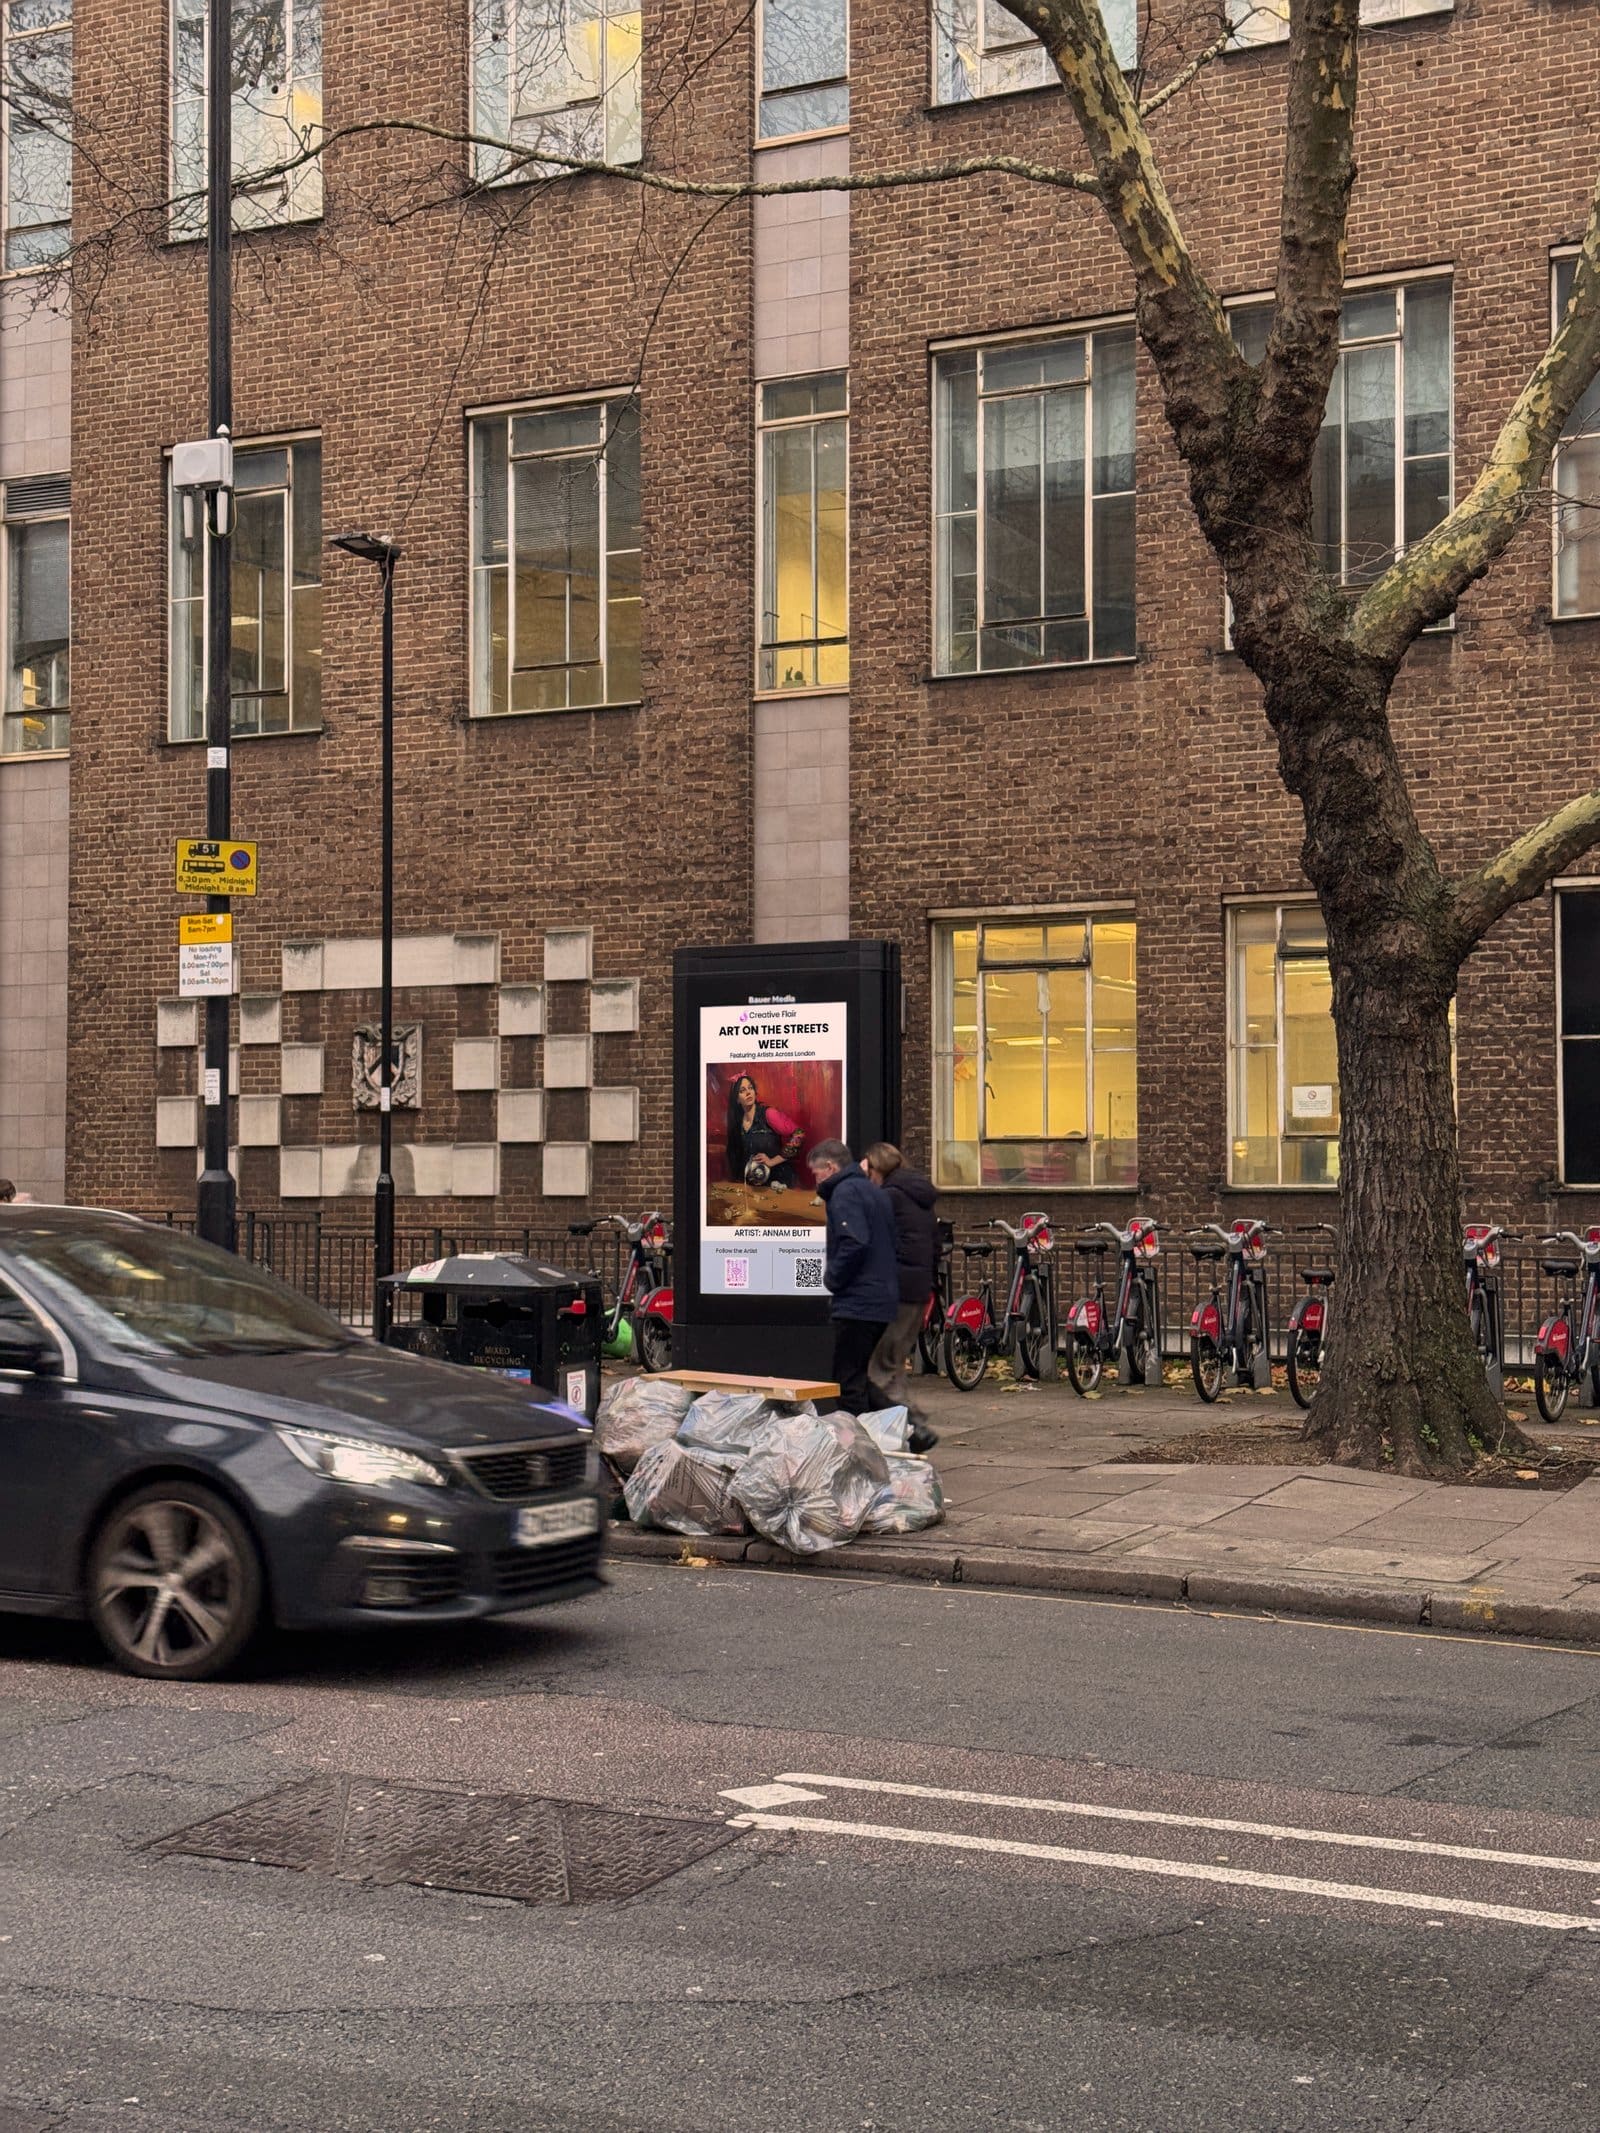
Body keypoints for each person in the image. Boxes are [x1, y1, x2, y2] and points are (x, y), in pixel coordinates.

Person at [809, 1138, 898, 1415]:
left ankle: (861, 1446)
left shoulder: (845, 1193)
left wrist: (832, 1279)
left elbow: (854, 1242)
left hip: (858, 1302)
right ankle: (909, 1429)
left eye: (817, 1172)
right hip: (880, 1299)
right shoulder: (873, 1192)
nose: (816, 1179)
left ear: (830, 1167)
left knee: (847, 1383)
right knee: (857, 1376)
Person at [862, 1142, 940, 1453]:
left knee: (878, 1368)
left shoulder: (889, 1198)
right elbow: (936, 1245)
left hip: (894, 1291)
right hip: (918, 1291)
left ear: (878, 1169)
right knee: (893, 1365)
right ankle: (909, 1427)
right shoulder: (920, 1198)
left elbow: (877, 1244)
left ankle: (909, 1427)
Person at [724, 1073, 806, 1189]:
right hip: (755, 1185)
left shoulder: (768, 1114)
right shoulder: (737, 1125)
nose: (748, 1092)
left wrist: (772, 1161)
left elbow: (799, 1134)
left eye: (750, 1088)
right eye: (742, 1090)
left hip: (780, 1182)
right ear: (737, 1099)